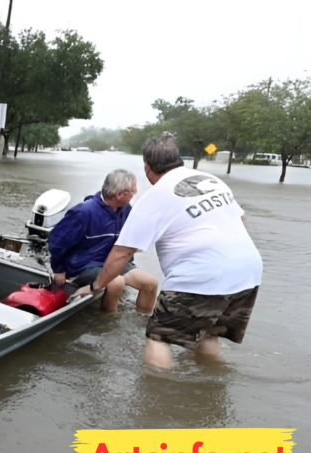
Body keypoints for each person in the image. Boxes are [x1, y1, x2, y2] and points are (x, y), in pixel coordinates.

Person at [78, 133, 262, 369]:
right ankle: (210, 389)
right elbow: (242, 219)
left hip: (200, 276)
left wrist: (95, 286)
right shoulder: (211, 180)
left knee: (159, 339)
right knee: (208, 334)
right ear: (178, 159)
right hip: (247, 272)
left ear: (147, 166)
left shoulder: (154, 196)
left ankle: (156, 399)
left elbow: (121, 253)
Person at [48, 169, 159, 312]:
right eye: (133, 190)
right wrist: (58, 270)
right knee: (117, 282)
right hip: (84, 265)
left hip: (111, 262)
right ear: (120, 195)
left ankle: (143, 322)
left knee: (151, 283)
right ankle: (107, 324)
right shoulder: (83, 212)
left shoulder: (125, 210)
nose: (135, 192)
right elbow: (56, 241)